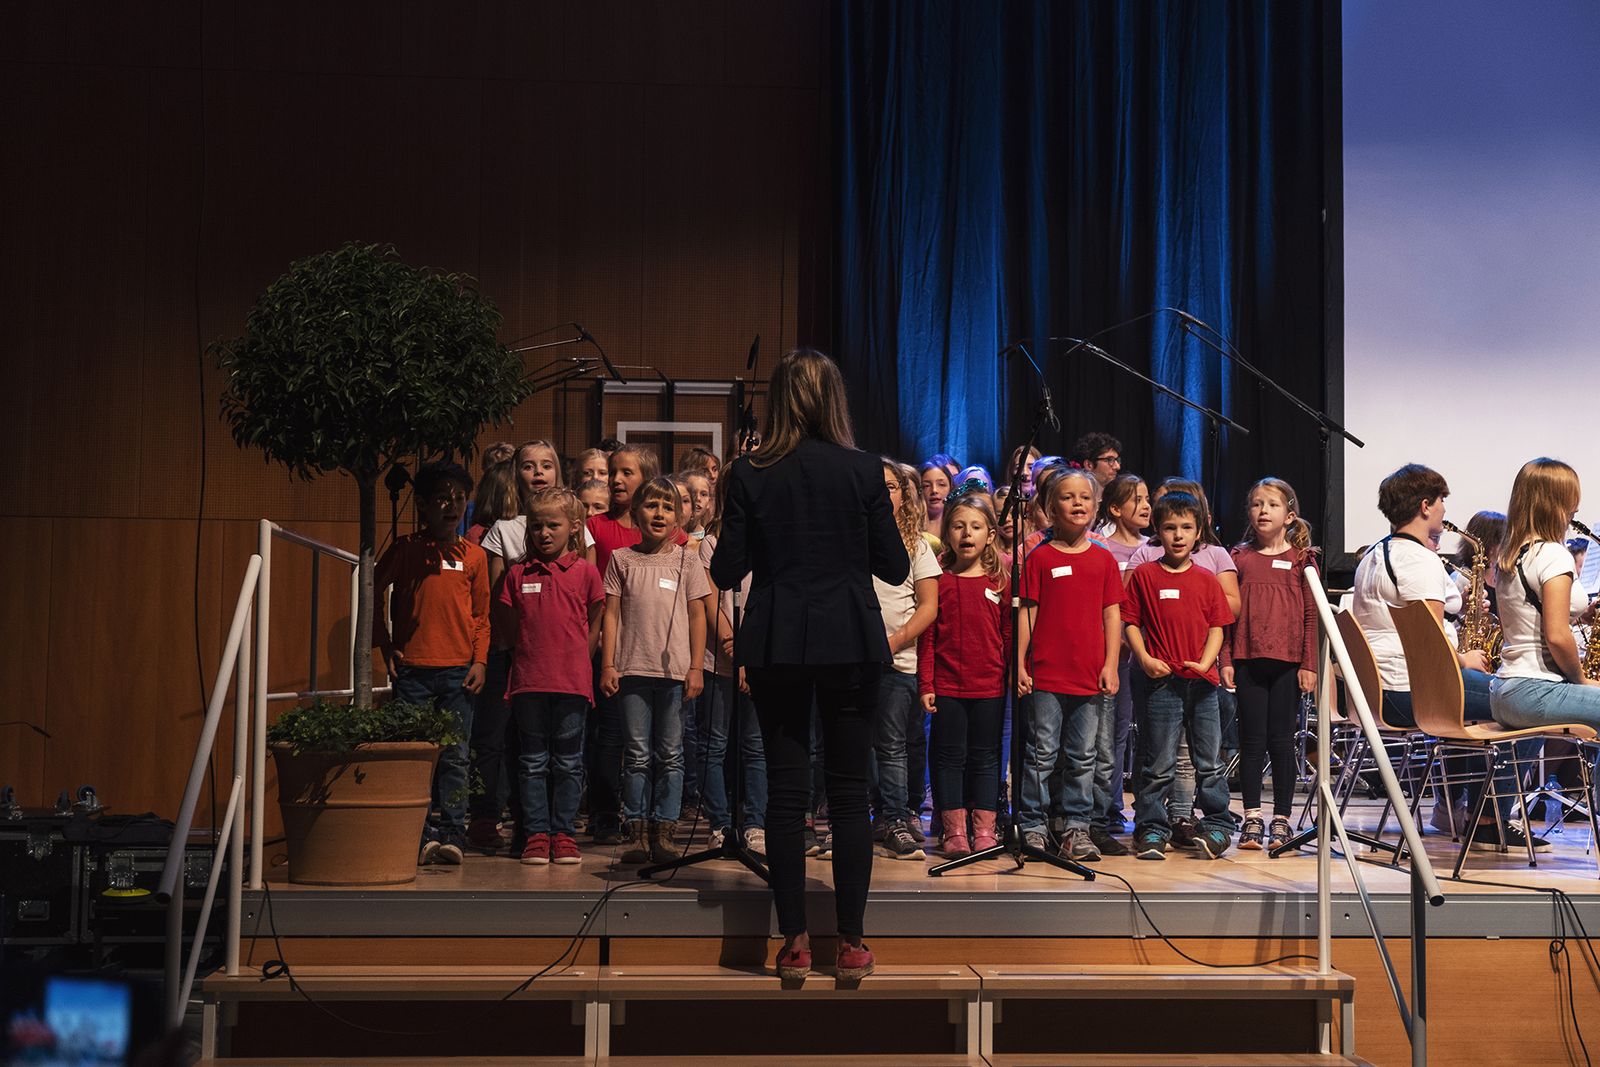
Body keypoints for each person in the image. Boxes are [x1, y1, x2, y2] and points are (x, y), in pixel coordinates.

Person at [710, 348, 909, 984]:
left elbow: (725, 569)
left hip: (778, 642)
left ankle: (793, 940)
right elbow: (895, 567)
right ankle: (850, 942)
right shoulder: (864, 470)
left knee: (786, 792)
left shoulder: (750, 472)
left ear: (778, 401)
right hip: (850, 638)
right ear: (833, 400)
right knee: (849, 792)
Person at [1350, 464, 1545, 850]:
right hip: (1414, 692)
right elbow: (1431, 644)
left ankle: (1465, 808)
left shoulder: (1374, 554)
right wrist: (1463, 659)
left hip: (1379, 692)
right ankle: (1489, 818)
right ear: (1425, 506)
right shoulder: (1418, 560)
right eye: (1441, 501)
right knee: (1533, 701)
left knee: (1505, 700)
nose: (1444, 510)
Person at [373, 462, 489, 865]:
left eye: (459, 498)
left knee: (456, 755)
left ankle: (454, 834)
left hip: (458, 672)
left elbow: (481, 616)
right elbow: (372, 587)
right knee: (414, 757)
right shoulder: (406, 549)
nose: (451, 506)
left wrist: (480, 661)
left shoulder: (474, 555)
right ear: (422, 504)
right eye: (442, 498)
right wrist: (385, 644)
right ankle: (418, 836)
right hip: (413, 672)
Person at [600, 477, 711, 864]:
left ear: (678, 517)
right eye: (651, 506)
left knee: (671, 754)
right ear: (635, 514)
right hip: (632, 670)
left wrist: (696, 667)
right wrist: (608, 663)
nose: (659, 513)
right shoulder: (621, 559)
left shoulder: (686, 559)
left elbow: (698, 615)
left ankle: (665, 830)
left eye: (667, 507)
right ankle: (636, 831)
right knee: (636, 755)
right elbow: (611, 615)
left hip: (674, 674)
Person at [1126, 478, 1240, 849]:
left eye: (1186, 528)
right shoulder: (1145, 575)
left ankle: (1217, 824)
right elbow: (1130, 623)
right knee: (1159, 761)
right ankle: (1151, 827)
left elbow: (1218, 626)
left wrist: (1206, 662)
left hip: (1202, 684)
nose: (1178, 535)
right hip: (1162, 682)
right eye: (1170, 528)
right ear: (1157, 531)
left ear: (1198, 532)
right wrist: (1145, 658)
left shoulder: (1207, 579)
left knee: (1209, 761)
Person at [1016, 467, 1123, 862]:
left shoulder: (1103, 559)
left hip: (1089, 674)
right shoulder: (1040, 558)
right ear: (1050, 507)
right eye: (1067, 497)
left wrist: (1111, 664)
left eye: (1085, 497)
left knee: (1083, 756)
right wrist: (1020, 663)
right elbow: (1028, 611)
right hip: (1046, 673)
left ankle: (1077, 827)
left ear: (1095, 506)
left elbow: (1112, 615)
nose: (1078, 503)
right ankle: (1033, 825)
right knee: (1041, 754)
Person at [499, 487, 604, 865]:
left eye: (553, 525)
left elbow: (595, 622)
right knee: (532, 761)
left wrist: (579, 661)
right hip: (529, 682)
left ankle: (563, 833)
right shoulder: (517, 574)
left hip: (571, 683)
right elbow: (511, 628)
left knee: (569, 761)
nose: (544, 533)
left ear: (574, 527)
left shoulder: (586, 572)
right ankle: (536, 834)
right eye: (536, 526)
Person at [1221, 479, 1319, 852]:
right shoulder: (1238, 558)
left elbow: (1311, 615)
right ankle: (1251, 817)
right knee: (1251, 742)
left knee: (1281, 742)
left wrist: (1309, 663)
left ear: (1289, 515)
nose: (1263, 511)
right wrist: (1226, 658)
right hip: (1248, 660)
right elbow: (1226, 615)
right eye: (1257, 504)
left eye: (1272, 505)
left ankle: (1281, 818)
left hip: (1288, 665)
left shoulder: (1301, 560)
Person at [920, 493, 1011, 857]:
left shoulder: (999, 581)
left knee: (986, 757)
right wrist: (927, 683)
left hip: (989, 686)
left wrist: (1012, 674)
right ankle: (954, 831)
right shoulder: (940, 581)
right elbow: (928, 637)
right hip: (948, 686)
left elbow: (1007, 634)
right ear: (947, 533)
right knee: (949, 757)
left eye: (975, 527)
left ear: (990, 535)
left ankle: (984, 829)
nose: (967, 533)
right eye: (958, 526)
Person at [1490, 459, 1600, 741]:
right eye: (1570, 498)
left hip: (1504, 691)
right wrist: (1582, 681)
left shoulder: (1511, 555)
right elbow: (1557, 636)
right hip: (1536, 690)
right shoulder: (1553, 554)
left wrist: (1578, 614)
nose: (1576, 508)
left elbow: (1526, 619)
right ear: (1554, 503)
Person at [874, 459, 941, 860]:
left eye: (891, 487)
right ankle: (862, 817)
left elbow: (929, 606)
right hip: (855, 661)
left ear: (903, 494)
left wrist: (895, 641)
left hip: (898, 662)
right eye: (876, 486)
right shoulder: (851, 540)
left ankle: (896, 818)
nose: (883, 494)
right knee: (855, 745)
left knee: (892, 745)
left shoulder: (916, 544)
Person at [698, 477, 768, 856]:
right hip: (719, 661)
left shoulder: (770, 538)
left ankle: (755, 823)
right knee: (714, 744)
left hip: (759, 658)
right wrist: (734, 650)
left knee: (756, 745)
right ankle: (720, 824)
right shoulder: (712, 543)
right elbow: (710, 599)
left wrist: (751, 654)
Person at [1089, 473, 1151, 842]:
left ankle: (1140, 808)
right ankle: (1106, 807)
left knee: (1131, 733)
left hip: (1145, 655)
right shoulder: (1102, 547)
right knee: (1108, 734)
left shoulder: (1151, 548)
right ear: (1114, 508)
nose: (1146, 506)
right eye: (1136, 499)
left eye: (1147, 499)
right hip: (1113, 653)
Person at [921, 460, 954, 540]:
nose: (934, 490)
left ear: (950, 488)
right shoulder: (910, 527)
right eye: (926, 486)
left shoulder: (956, 526)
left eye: (941, 484)